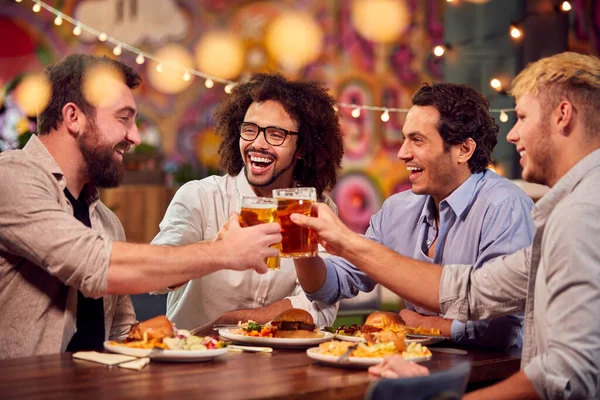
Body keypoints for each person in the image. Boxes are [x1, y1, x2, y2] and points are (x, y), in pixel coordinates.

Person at [292, 51, 600, 399]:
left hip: (484, 372)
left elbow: (568, 374)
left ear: (563, 116)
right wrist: (319, 242)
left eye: (523, 116)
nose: (513, 135)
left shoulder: (580, 212)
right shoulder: (569, 208)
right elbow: (474, 290)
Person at [0, 54, 281, 359]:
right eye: (124, 118)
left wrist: (184, 344)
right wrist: (222, 252)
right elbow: (93, 264)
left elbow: (123, 335)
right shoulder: (11, 177)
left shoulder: (106, 222)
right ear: (73, 117)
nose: (134, 136)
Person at [294, 82, 535, 350]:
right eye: (404, 139)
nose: (402, 153)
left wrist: (417, 322)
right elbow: (329, 287)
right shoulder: (397, 209)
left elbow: (501, 327)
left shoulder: (505, 206)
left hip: (492, 370)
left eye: (417, 140)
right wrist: (303, 246)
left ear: (464, 150)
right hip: (416, 363)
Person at [151, 73, 344, 331]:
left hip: (279, 365)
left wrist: (233, 321)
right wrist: (217, 250)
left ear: (301, 147)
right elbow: (155, 275)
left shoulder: (317, 209)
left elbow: (320, 306)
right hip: (196, 360)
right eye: (250, 130)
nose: (258, 144)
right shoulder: (200, 197)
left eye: (276, 134)